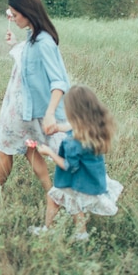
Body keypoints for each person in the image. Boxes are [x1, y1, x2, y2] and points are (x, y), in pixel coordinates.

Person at [0, 0, 71, 192]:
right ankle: (52, 193)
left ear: (28, 12)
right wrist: (15, 44)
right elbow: (29, 62)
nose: (12, 17)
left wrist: (49, 115)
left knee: (4, 148)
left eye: (15, 14)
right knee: (30, 149)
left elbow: (59, 83)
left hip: (22, 109)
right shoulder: (33, 37)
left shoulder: (44, 42)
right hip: (21, 106)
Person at [30, 84, 123, 241]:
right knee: (72, 201)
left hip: (76, 180)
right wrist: (57, 128)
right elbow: (71, 126)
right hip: (88, 178)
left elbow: (68, 165)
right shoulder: (92, 127)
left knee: (54, 197)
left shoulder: (73, 142)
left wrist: (49, 152)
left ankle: (48, 230)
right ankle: (81, 234)